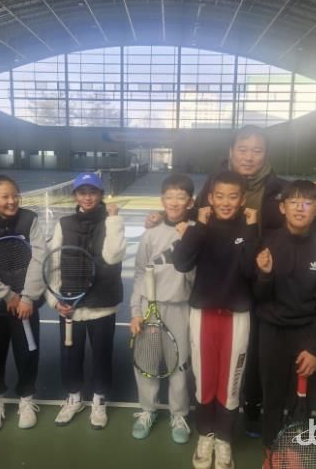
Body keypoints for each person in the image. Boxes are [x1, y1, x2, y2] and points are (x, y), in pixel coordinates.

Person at [146, 125, 316, 437]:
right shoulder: (214, 183)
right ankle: (220, 420)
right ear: (232, 152)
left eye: (257, 150)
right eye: (243, 150)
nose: (249, 157)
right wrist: (160, 217)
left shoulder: (281, 189)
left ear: (266, 154)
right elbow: (192, 216)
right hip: (223, 285)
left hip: (263, 280)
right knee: (221, 362)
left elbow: (306, 219)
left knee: (254, 357)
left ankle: (252, 411)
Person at [252, 180, 316, 468]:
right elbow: (259, 296)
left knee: (302, 399)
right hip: (271, 333)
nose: (300, 208)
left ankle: (294, 451)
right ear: (282, 207)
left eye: (308, 203)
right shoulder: (267, 242)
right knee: (272, 397)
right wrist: (264, 275)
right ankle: (271, 450)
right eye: (294, 202)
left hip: (306, 335)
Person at [173, 170, 258, 469]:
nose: (225, 202)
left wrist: (251, 229)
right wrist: (199, 225)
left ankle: (224, 438)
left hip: (237, 317)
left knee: (230, 384)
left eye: (232, 197)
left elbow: (250, 271)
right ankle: (205, 434)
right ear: (210, 198)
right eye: (219, 196)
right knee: (205, 380)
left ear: (242, 200)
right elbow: (181, 262)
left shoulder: (249, 228)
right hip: (203, 315)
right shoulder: (201, 228)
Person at [45, 172, 126, 430]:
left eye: (93, 192)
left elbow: (113, 257)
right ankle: (74, 399)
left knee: (102, 357)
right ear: (75, 196)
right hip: (70, 306)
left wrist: (113, 219)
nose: (88, 197)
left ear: (100, 195)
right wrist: (55, 300)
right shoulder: (64, 224)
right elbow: (54, 263)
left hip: (102, 305)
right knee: (70, 357)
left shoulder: (112, 221)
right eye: (82, 192)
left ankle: (99, 401)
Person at [0, 174, 47, 432]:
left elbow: (39, 259)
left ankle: (26, 400)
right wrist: (8, 295)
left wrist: (27, 297)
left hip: (26, 304)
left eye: (15, 195)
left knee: (28, 353)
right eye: (5, 196)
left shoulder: (30, 219)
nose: (12, 201)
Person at [129, 174, 196, 444]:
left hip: (181, 309)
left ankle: (179, 415)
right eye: (169, 197)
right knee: (146, 363)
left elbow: (197, 278)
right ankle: (147, 410)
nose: (174, 202)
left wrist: (187, 244)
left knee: (179, 365)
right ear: (162, 200)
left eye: (181, 197)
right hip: (149, 308)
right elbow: (138, 273)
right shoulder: (150, 233)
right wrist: (136, 311)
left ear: (190, 202)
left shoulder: (195, 233)